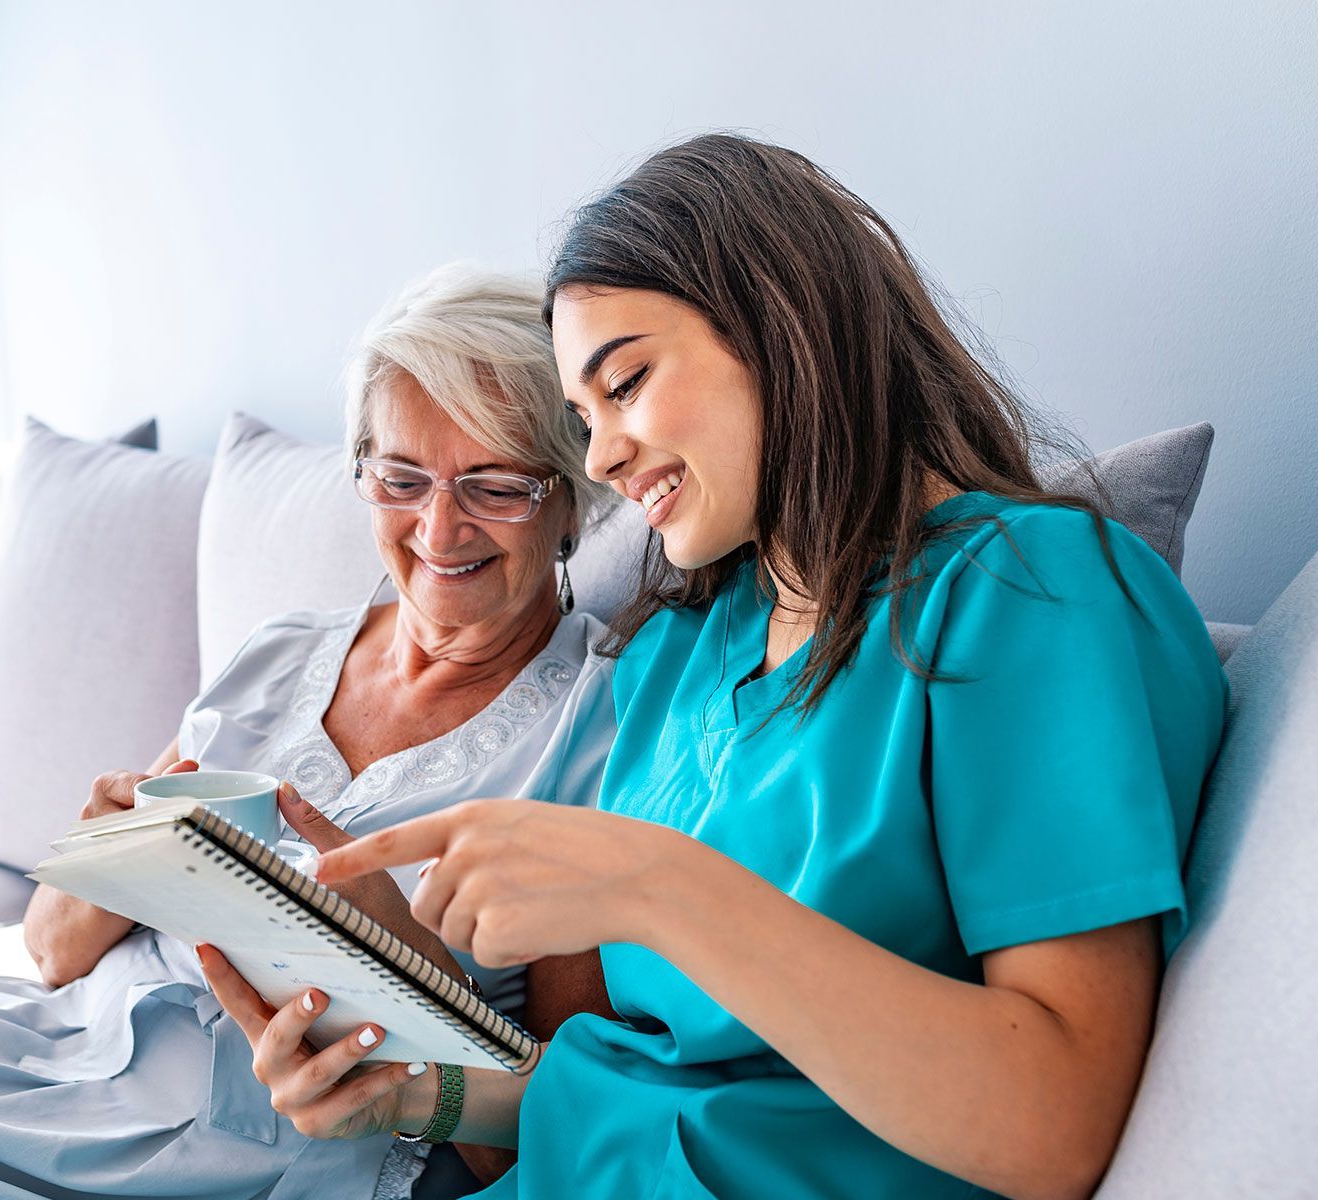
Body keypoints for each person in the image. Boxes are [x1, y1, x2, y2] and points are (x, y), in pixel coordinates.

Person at [204, 134, 1228, 1200]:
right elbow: (643, 1085)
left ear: (783, 326)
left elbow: (1057, 1126)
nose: (598, 456)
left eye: (627, 382)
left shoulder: (1027, 592)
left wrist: (661, 891)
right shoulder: (675, 659)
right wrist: (414, 1087)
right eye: (582, 418)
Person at [0, 264, 620, 1200]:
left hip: (269, 1143)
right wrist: (108, 854)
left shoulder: (599, 728)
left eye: (494, 486)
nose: (439, 531)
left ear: (569, 500)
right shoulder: (278, 656)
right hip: (71, 1052)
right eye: (402, 479)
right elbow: (49, 952)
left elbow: (564, 1137)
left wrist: (411, 970)